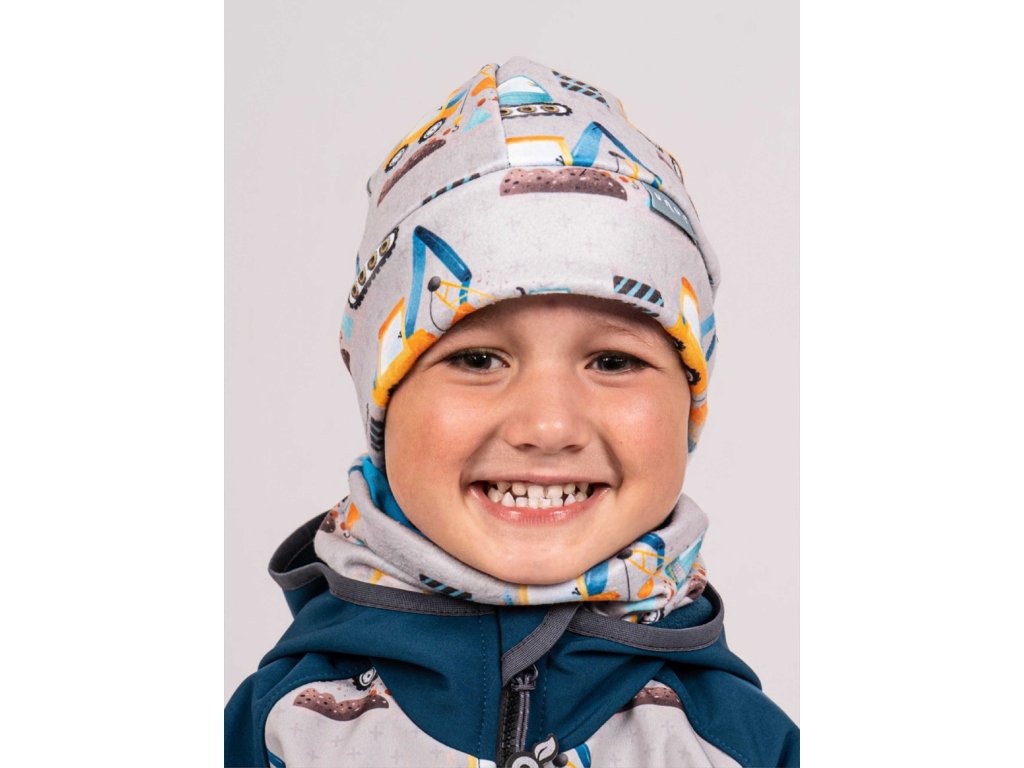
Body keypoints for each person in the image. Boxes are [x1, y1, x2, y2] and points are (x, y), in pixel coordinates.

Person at [225, 55, 799, 767]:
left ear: (689, 403)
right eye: (477, 359)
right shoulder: (283, 730)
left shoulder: (739, 746)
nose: (547, 427)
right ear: (380, 398)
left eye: (612, 362)